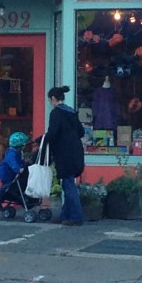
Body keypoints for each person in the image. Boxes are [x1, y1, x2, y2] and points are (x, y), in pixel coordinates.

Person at [43, 85, 85, 226]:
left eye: (50, 100)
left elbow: (53, 133)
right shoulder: (71, 112)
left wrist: (41, 140)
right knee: (68, 183)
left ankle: (76, 216)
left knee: (68, 185)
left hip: (64, 153)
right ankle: (65, 215)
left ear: (53, 98)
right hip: (76, 151)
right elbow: (81, 132)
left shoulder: (56, 113)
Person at [0, 131, 31, 205]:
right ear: (20, 145)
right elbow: (13, 163)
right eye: (24, 145)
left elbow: (20, 161)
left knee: (12, 186)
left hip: (11, 173)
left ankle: (4, 196)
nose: (25, 146)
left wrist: (25, 163)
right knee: (7, 186)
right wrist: (18, 169)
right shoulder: (11, 153)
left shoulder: (18, 152)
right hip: (6, 173)